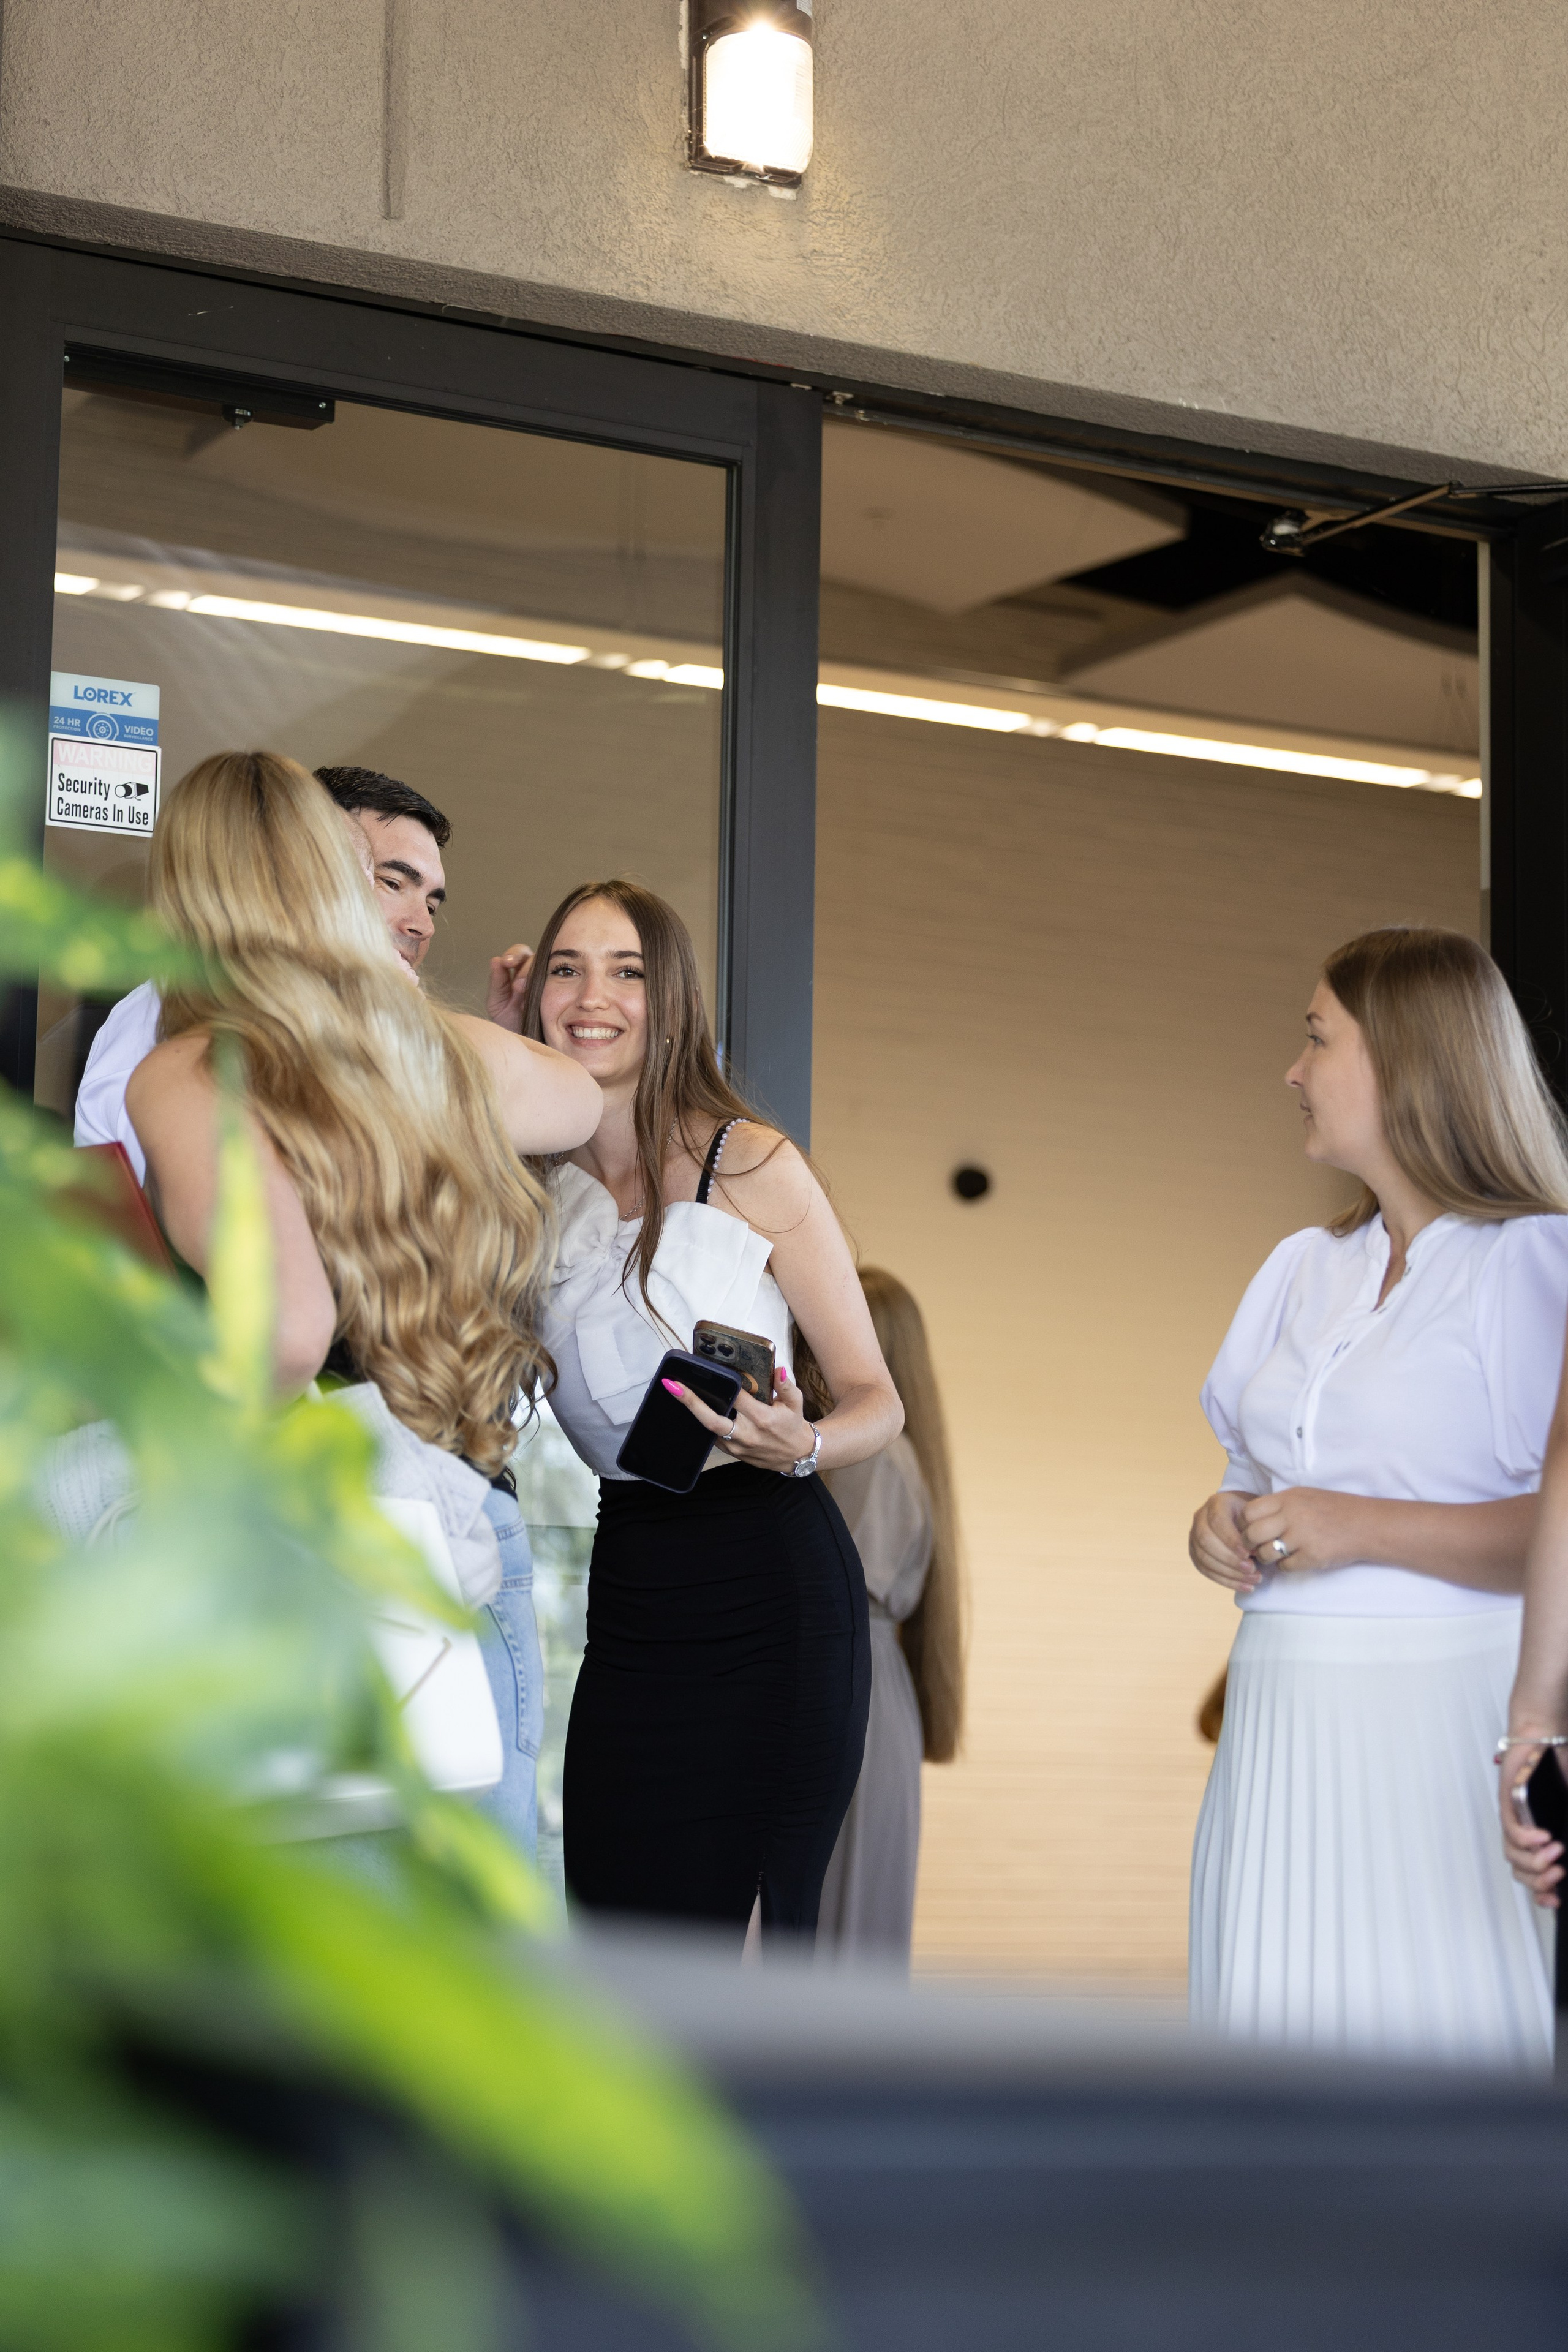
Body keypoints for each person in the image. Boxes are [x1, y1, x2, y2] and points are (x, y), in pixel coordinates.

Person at [123, 751, 602, 1859]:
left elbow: (288, 1331)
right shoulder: (421, 1044)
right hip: (464, 1517)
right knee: (480, 1917)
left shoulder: (195, 1068)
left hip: (318, 1545)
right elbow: (577, 1101)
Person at [1188, 925, 1568, 2070]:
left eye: (1317, 1039)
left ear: (1405, 1058)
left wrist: (1357, 1528)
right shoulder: (1302, 1270)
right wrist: (1219, 1524)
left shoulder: (1529, 1262)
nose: (1292, 1071)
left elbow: (1556, 1526)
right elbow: (1250, 1477)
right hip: (1277, 1713)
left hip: (1441, 1718)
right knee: (1268, 2036)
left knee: (1437, 2044)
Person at [508, 877, 903, 1940]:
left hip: (771, 1586)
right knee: (620, 1936)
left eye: (627, 972)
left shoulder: (749, 1160)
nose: (593, 996)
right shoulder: (532, 1188)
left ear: (672, 999)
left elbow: (878, 1399)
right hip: (634, 1590)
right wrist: (511, 1056)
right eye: (566, 969)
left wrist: (804, 1442)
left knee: (751, 1946)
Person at [75, 766, 451, 1180]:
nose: (423, 925)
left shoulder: (418, 1040)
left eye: (431, 906)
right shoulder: (170, 1017)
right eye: (391, 883)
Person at [815, 1267, 964, 1964]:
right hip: (866, 1695)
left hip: (848, 1695)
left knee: (836, 1934)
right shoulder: (897, 1457)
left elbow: (829, 1588)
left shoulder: (873, 1456)